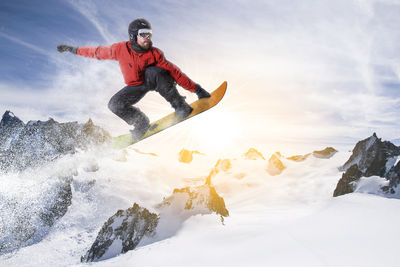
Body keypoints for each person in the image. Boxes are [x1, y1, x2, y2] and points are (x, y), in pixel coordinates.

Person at [57, 18, 210, 140]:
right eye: (143, 34)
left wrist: (197, 89)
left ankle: (180, 105)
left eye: (149, 34)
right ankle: (141, 123)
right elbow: (96, 52)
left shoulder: (155, 53)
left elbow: (175, 72)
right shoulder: (119, 49)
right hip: (135, 86)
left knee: (156, 71)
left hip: (152, 80)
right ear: (133, 35)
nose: (147, 38)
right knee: (114, 104)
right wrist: (72, 50)